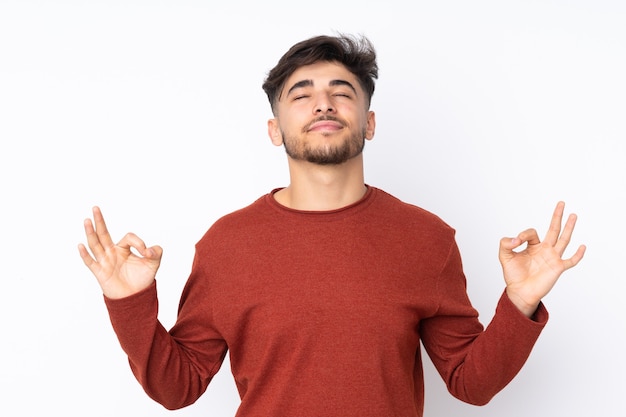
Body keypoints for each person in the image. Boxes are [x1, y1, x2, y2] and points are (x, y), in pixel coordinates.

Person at [78, 34, 586, 417]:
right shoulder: (226, 244)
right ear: (275, 130)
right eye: (301, 94)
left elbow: (470, 384)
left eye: (341, 92)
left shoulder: (427, 239)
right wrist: (129, 305)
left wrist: (520, 302)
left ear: (368, 121)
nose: (323, 103)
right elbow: (177, 387)